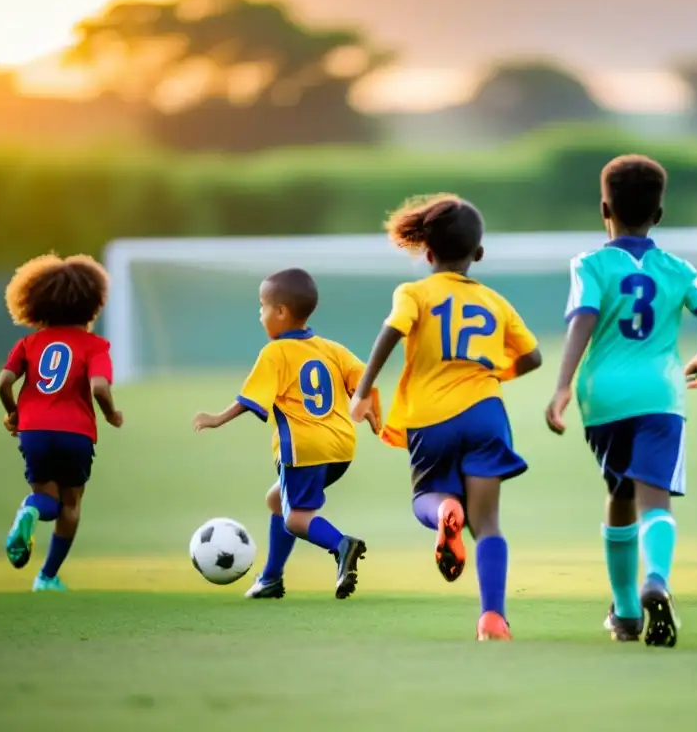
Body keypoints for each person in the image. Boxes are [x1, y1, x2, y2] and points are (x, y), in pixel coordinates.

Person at [545, 155, 697, 647]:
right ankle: (656, 581)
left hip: (602, 399)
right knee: (654, 501)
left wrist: (562, 385)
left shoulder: (589, 264)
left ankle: (625, 613)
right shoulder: (680, 269)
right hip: (660, 396)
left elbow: (582, 318)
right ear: (659, 215)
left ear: (604, 208)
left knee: (620, 495)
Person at [349, 194, 542, 641]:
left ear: (427, 252)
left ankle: (444, 513)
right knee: (488, 522)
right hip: (486, 414)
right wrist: (493, 372)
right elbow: (531, 357)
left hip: (431, 418)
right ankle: (493, 618)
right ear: (478, 254)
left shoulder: (413, 293)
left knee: (426, 501)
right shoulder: (495, 302)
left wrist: (363, 392)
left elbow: (391, 331)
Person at [193, 268, 380, 599]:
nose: (260, 314)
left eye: (262, 307)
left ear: (281, 312)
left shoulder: (275, 352)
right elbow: (363, 378)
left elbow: (250, 400)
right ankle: (271, 578)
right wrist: (371, 413)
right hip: (341, 447)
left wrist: (217, 418)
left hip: (304, 449)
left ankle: (341, 545)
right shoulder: (330, 348)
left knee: (296, 518)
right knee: (276, 499)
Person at [0, 253, 123, 591]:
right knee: (70, 504)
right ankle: (47, 577)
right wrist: (111, 413)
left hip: (33, 431)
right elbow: (98, 386)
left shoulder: (28, 343)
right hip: (76, 433)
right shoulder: (95, 345)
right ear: (92, 303)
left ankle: (29, 511)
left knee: (46, 499)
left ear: (36, 303)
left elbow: (3, 383)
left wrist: (14, 413)